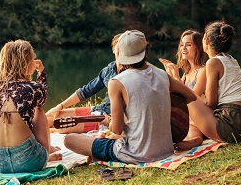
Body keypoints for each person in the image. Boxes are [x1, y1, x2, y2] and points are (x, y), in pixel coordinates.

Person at [64, 30, 174, 164]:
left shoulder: (118, 81)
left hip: (134, 153)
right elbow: (190, 96)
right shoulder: (161, 74)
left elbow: (117, 129)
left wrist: (107, 122)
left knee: (69, 139)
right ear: (145, 51)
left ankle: (99, 153)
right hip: (166, 149)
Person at [0, 40, 62, 178]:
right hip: (31, 162)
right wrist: (42, 73)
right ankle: (46, 152)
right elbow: (42, 100)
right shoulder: (33, 88)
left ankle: (37, 152)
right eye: (32, 58)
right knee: (39, 111)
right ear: (27, 63)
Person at [170, 21, 241, 144]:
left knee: (188, 97)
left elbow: (211, 103)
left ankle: (195, 137)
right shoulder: (231, 59)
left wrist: (176, 81)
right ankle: (195, 137)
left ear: (207, 41)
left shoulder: (213, 63)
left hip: (230, 127)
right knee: (194, 107)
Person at [46, 34, 122, 134]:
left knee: (62, 126)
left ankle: (45, 134)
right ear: (113, 49)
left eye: (125, 48)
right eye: (119, 47)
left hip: (107, 118)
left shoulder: (130, 73)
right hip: (99, 109)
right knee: (49, 117)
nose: (122, 51)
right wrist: (59, 106)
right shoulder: (108, 70)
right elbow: (85, 91)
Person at [159, 29, 208, 150]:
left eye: (188, 45)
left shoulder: (203, 71)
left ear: (199, 47)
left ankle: (196, 139)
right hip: (188, 113)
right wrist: (169, 76)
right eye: (182, 45)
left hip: (200, 113)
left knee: (189, 122)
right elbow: (177, 96)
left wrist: (175, 77)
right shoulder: (186, 73)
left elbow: (192, 98)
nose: (183, 48)